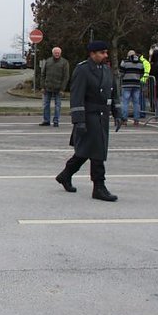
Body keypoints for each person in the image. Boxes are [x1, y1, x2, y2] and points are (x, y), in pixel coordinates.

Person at [54, 41, 121, 202]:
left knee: (85, 151)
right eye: (102, 52)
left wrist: (118, 113)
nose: (105, 55)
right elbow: (76, 97)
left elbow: (113, 93)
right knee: (97, 152)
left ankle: (65, 175)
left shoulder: (106, 69)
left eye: (106, 52)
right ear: (92, 54)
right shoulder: (83, 70)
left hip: (102, 116)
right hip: (89, 116)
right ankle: (99, 186)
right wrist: (79, 121)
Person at [40, 46, 70, 127]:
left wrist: (62, 89)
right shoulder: (48, 61)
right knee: (46, 104)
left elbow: (66, 77)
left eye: (58, 53)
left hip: (58, 88)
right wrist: (42, 86)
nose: (57, 54)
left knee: (58, 105)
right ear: (52, 53)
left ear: (60, 53)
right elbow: (43, 74)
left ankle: (56, 121)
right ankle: (46, 120)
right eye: (55, 53)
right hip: (47, 87)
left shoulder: (64, 62)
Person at [118, 50, 145, 126]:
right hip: (136, 84)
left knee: (125, 102)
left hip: (126, 84)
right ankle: (136, 120)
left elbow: (121, 73)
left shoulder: (124, 62)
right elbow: (142, 74)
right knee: (136, 103)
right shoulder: (140, 63)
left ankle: (124, 120)